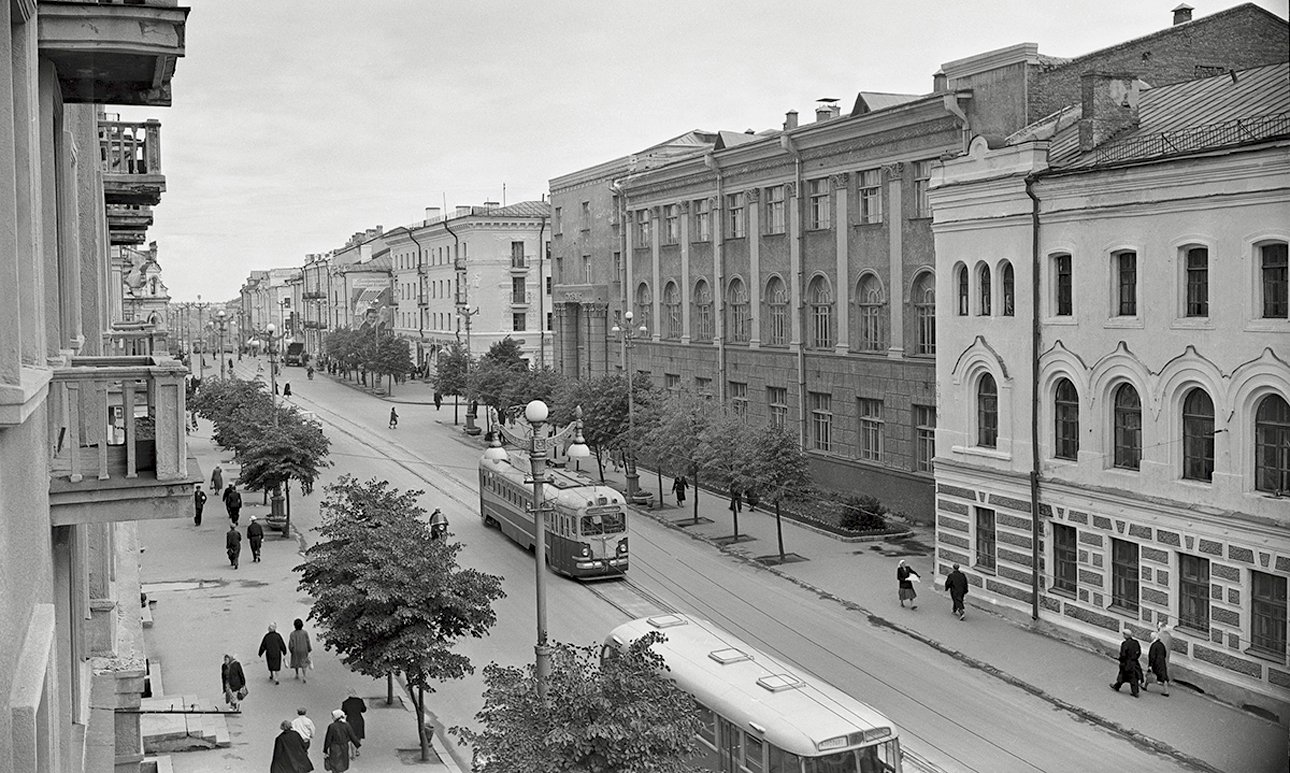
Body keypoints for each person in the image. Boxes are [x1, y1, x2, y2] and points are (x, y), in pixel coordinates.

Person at [1109, 627, 1143, 697]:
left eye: (1124, 635)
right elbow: (1139, 652)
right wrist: (1135, 658)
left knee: (1123, 675)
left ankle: (1117, 686)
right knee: (1133, 677)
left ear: (1126, 636)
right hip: (1134, 662)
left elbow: (1123, 654)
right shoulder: (1136, 643)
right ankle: (1134, 691)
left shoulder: (1125, 644)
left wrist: (1121, 660)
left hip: (1126, 662)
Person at [340, 689, 367, 759]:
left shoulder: (345, 703)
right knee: (358, 736)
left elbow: (343, 712)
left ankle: (353, 754)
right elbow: (364, 710)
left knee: (352, 737)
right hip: (359, 720)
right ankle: (357, 750)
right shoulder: (359, 701)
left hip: (350, 720)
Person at [1145, 628, 1171, 696]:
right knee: (1163, 676)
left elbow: (1152, 656)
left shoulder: (1153, 645)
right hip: (1162, 662)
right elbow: (1165, 653)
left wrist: (1150, 665)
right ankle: (1166, 691)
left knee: (1150, 674)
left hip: (1156, 663)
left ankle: (1145, 686)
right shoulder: (1161, 644)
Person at [289, 618, 312, 682]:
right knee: (304, 663)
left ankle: (297, 674)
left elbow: (291, 643)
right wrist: (309, 649)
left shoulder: (292, 634)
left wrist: (291, 650)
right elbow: (308, 641)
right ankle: (304, 676)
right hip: (304, 649)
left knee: (296, 661)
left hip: (296, 650)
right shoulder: (305, 633)